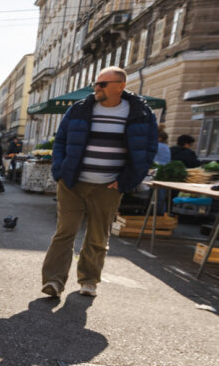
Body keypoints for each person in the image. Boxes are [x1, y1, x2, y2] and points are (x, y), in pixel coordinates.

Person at [41, 66, 158, 298]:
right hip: (73, 183)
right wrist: (60, 172)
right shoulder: (80, 109)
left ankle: (89, 280)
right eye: (96, 83)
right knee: (65, 232)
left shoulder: (141, 113)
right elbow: (60, 141)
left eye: (103, 84)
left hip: (108, 187)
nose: (97, 88)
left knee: (97, 236)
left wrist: (126, 181)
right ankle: (53, 281)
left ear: (120, 86)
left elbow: (147, 151)